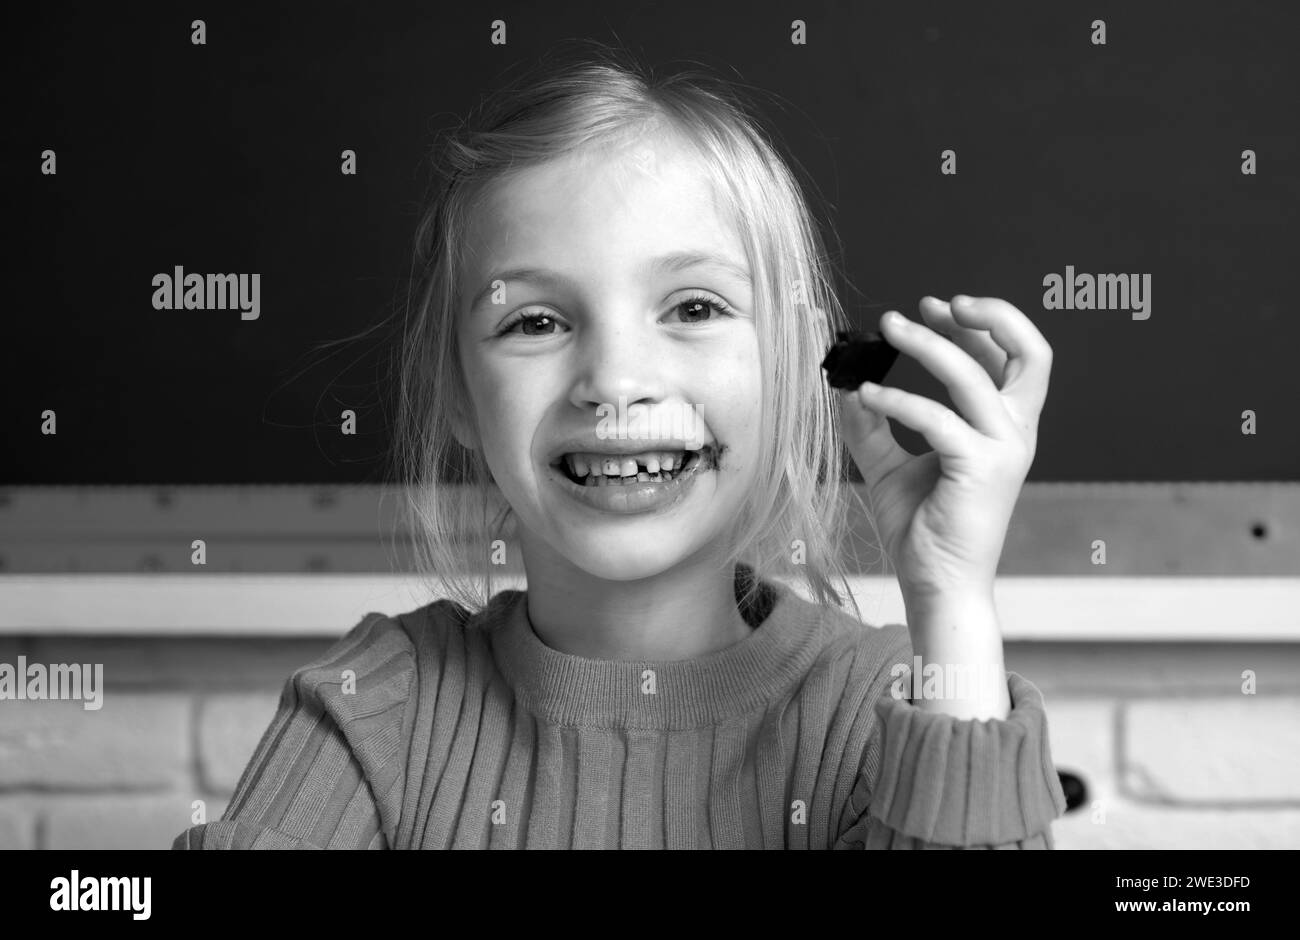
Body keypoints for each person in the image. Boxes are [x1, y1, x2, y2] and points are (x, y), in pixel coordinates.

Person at [174, 41, 1064, 850]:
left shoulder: (880, 712)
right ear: (456, 396)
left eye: (694, 308)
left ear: (796, 365)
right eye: (535, 321)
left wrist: (951, 595)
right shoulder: (378, 706)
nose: (615, 380)